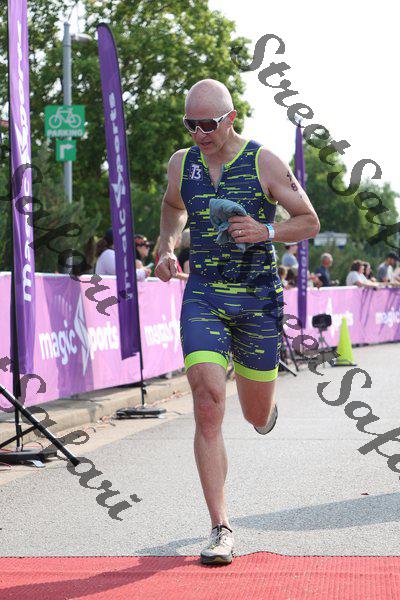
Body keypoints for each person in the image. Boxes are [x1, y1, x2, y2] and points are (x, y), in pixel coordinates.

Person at [154, 78, 320, 565]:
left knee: (253, 415)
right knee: (208, 401)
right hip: (203, 294)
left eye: (208, 124)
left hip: (257, 301)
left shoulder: (265, 162)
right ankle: (220, 526)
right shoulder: (181, 163)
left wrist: (267, 230)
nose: (199, 133)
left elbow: (308, 220)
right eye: (191, 124)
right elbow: (172, 206)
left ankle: (265, 410)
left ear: (230, 119)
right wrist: (166, 246)